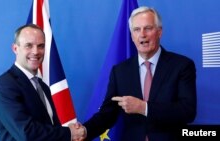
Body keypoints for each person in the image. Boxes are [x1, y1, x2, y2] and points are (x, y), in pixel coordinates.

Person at [83, 6, 197, 141]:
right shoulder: (120, 71)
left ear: (159, 32)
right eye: (136, 30)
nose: (142, 34)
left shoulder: (182, 65)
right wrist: (85, 131)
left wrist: (144, 107)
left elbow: (187, 111)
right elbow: (108, 113)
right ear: (132, 36)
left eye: (148, 28)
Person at [0, 24, 85, 141]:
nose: (36, 52)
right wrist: (69, 133)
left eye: (41, 46)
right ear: (15, 48)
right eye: (28, 46)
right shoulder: (4, 86)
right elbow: (27, 133)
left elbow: (49, 128)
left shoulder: (43, 86)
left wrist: (70, 131)